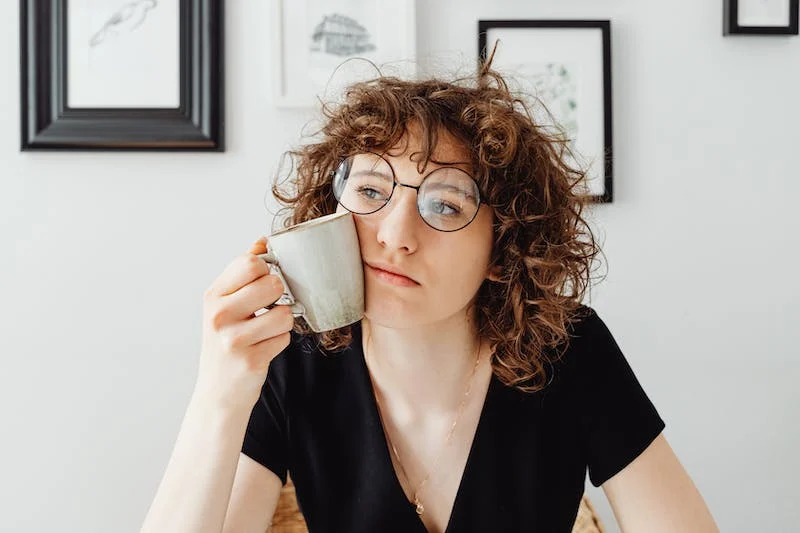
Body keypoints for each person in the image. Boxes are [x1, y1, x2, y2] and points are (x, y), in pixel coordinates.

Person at [139, 54, 719, 533]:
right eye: (370, 190)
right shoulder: (294, 358)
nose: (394, 235)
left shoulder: (567, 349)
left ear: (503, 250)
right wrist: (219, 394)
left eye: (444, 203)